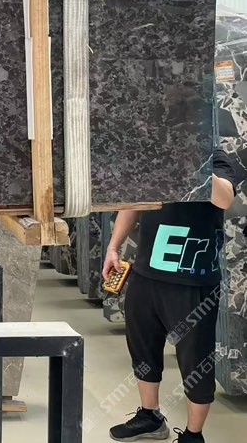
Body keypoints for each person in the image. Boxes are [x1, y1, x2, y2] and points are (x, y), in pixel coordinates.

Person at [104, 149, 241, 443]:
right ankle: (150, 416)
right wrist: (113, 247)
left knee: (195, 361)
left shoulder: (215, 157)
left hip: (192, 279)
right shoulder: (153, 156)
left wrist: (192, 161)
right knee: (142, 349)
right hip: (147, 273)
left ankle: (193, 435)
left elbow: (225, 199)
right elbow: (133, 203)